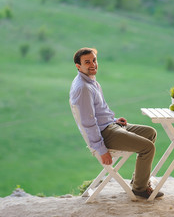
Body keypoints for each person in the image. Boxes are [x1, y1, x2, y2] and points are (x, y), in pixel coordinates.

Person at [69, 47, 164, 199]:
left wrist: (114, 120)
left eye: (94, 60)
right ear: (78, 66)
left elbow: (97, 112)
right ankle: (140, 189)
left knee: (150, 133)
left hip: (110, 126)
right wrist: (101, 149)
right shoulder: (83, 88)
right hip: (105, 134)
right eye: (87, 62)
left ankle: (138, 181)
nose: (93, 64)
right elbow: (88, 123)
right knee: (148, 148)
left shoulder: (90, 81)